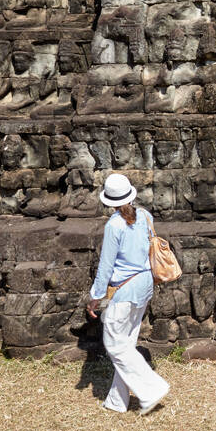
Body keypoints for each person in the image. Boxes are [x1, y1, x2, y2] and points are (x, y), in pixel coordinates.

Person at [86, 173, 170, 415]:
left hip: (125, 288)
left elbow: (106, 265)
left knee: (115, 345)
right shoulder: (145, 215)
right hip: (144, 284)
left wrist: (96, 295)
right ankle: (117, 399)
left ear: (109, 201)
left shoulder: (114, 225)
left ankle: (152, 387)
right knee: (127, 342)